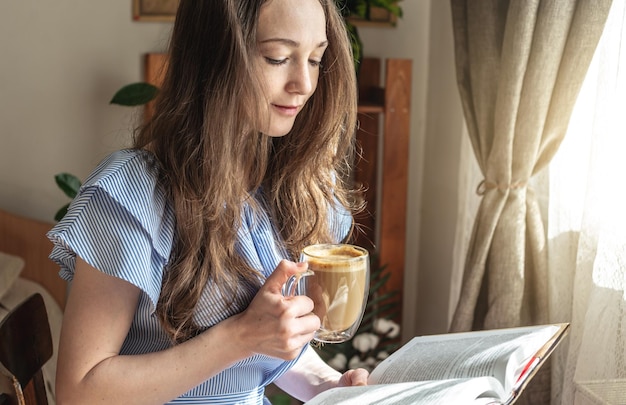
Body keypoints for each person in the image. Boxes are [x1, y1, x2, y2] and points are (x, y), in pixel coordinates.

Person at [47, 0, 369, 404]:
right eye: (278, 57)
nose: (303, 83)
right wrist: (241, 336)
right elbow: (79, 392)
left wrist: (329, 386)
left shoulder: (291, 186)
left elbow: (264, 359)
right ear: (213, 57)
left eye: (316, 59)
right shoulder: (131, 194)